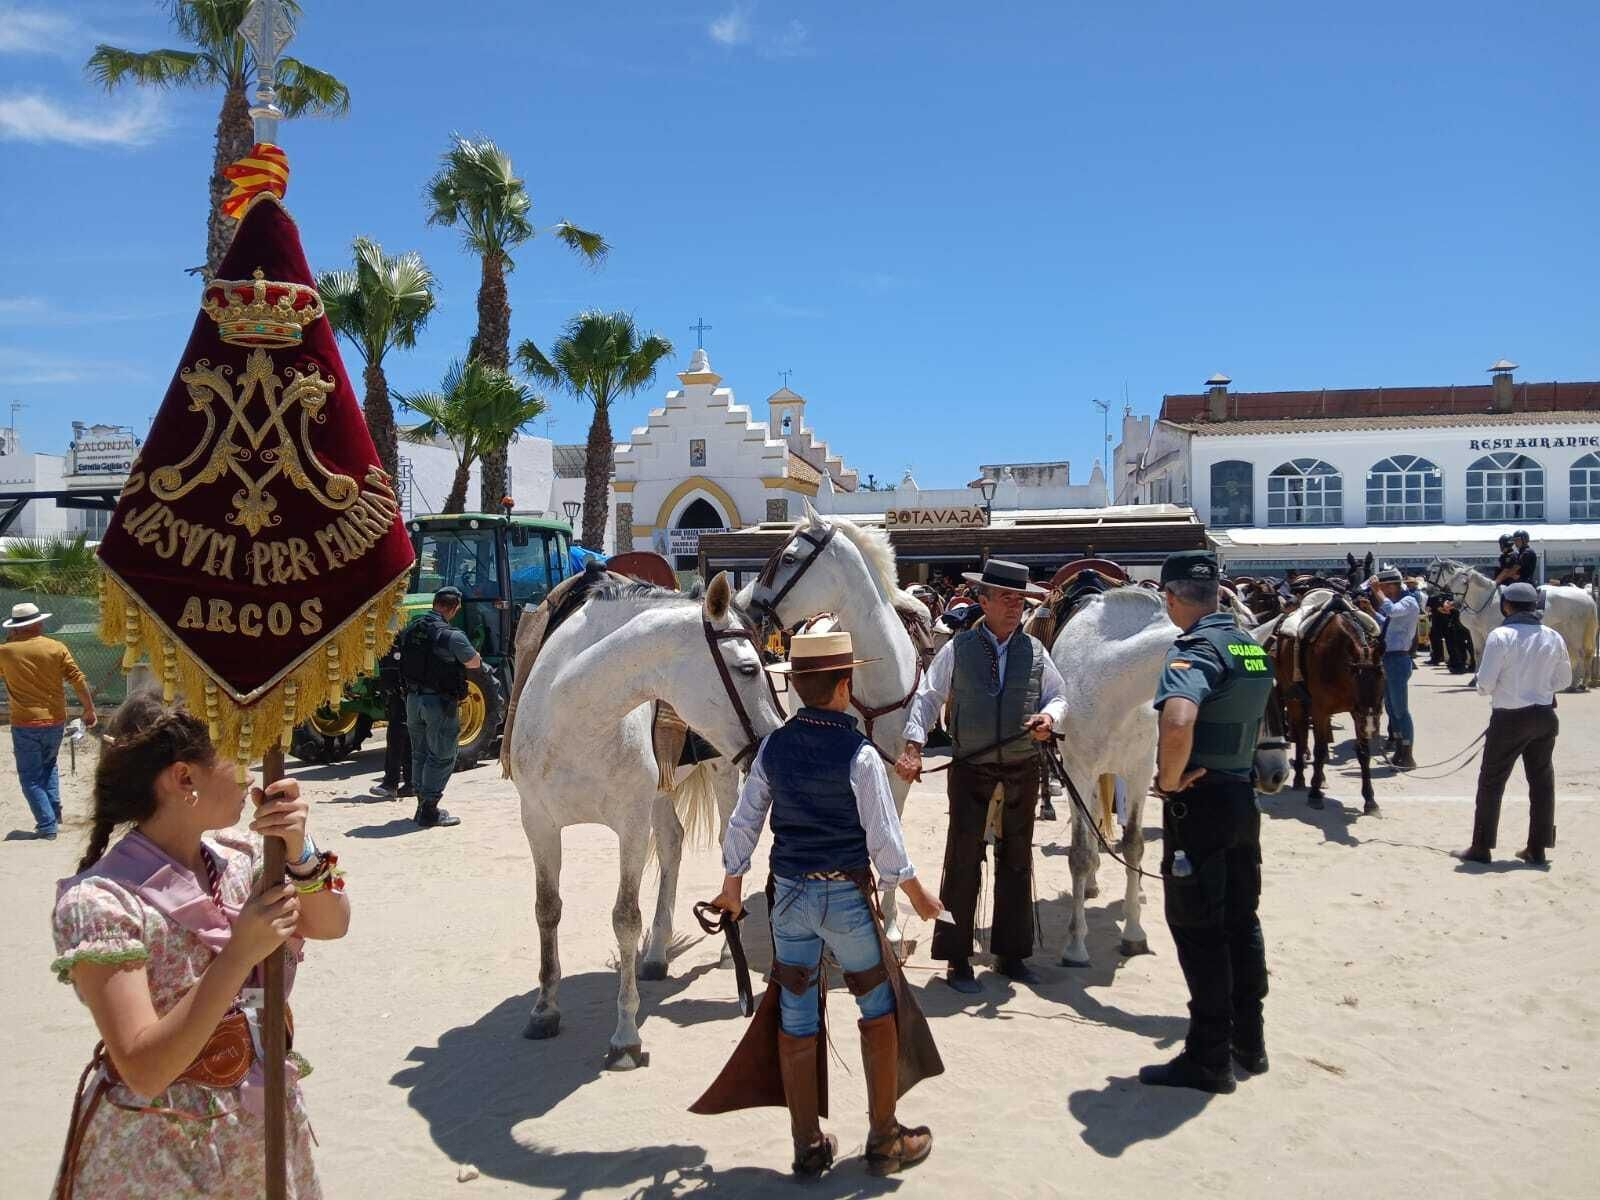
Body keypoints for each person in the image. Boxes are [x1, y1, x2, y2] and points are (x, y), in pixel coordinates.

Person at [50, 695, 350, 1198]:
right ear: (185, 778)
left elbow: (331, 923)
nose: (251, 775)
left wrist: (300, 849)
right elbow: (144, 1070)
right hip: (159, 1144)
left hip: (257, 1124)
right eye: (239, 756)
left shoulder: (241, 858)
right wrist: (239, 954)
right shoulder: (100, 903)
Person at [700, 631, 943, 1178]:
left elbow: (745, 821)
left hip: (787, 897)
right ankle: (883, 1139)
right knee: (878, 1004)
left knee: (797, 1008)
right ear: (844, 687)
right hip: (845, 897)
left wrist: (732, 885)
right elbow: (883, 839)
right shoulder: (859, 755)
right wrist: (916, 892)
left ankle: (807, 1144)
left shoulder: (772, 747)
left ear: (797, 688)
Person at [1139, 550, 1275, 1095]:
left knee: (1198, 929)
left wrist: (1169, 780)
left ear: (1171, 599)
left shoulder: (1195, 648)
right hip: (1242, 799)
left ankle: (1209, 1057)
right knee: (1242, 922)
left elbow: (1178, 720)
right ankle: (1251, 1041)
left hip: (1202, 806)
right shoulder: (1249, 645)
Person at [896, 558, 1066, 991]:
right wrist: (914, 747)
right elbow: (928, 697)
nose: (1014, 607)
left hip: (1021, 768)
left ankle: (1011, 955)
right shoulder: (957, 650)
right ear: (983, 600)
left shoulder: (1036, 650)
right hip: (971, 767)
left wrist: (1049, 717)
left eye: (1020, 600)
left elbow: (1059, 695)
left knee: (1017, 859)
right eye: (1006, 598)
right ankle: (957, 959)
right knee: (963, 860)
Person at [1455, 582, 1569, 866]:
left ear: (1507, 606)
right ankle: (1538, 848)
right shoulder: (1552, 636)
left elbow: (1484, 684)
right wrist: (1541, 687)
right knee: (1542, 782)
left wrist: (1506, 689)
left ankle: (1481, 847)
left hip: (1509, 718)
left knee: (1492, 782)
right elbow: (1564, 680)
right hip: (1544, 715)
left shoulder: (1500, 635)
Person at [0, 601, 97, 839]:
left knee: (30, 778)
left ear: (15, 627)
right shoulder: (56, 647)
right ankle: (54, 812)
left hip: (24, 722)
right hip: (55, 720)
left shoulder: (5, 652)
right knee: (50, 765)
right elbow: (77, 679)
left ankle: (47, 826)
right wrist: (89, 709)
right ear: (38, 623)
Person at [398, 586, 481, 829]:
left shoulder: (412, 628)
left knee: (420, 753)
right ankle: (430, 810)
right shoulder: (450, 635)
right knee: (443, 755)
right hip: (438, 703)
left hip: (413, 701)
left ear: (434, 603)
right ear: (454, 608)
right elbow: (473, 662)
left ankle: (421, 805)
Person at [1368, 567, 1422, 769]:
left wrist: (1377, 591)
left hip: (1398, 659)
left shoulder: (1409, 601)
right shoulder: (1400, 602)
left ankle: (1407, 754)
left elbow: (1392, 611)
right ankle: (1400, 750)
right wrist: (1371, 612)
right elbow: (1388, 622)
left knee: (1400, 709)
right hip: (1389, 658)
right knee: (1391, 708)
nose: (1382, 591)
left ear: (1391, 586)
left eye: (1384, 587)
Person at [370, 647, 413, 800]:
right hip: (399, 691)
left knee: (397, 735)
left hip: (399, 691)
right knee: (405, 735)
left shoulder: (394, 639)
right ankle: (410, 783)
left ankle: (391, 783)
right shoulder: (394, 639)